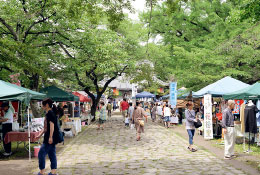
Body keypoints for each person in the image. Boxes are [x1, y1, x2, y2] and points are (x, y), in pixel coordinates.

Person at [37, 98, 59, 175]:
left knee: (41, 153)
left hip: (50, 137)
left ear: (46, 105)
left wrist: (50, 137)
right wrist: (39, 135)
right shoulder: (49, 113)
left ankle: (42, 172)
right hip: (51, 136)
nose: (42, 107)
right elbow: (46, 127)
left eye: (42, 105)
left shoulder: (50, 113)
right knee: (52, 153)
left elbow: (52, 126)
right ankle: (53, 172)